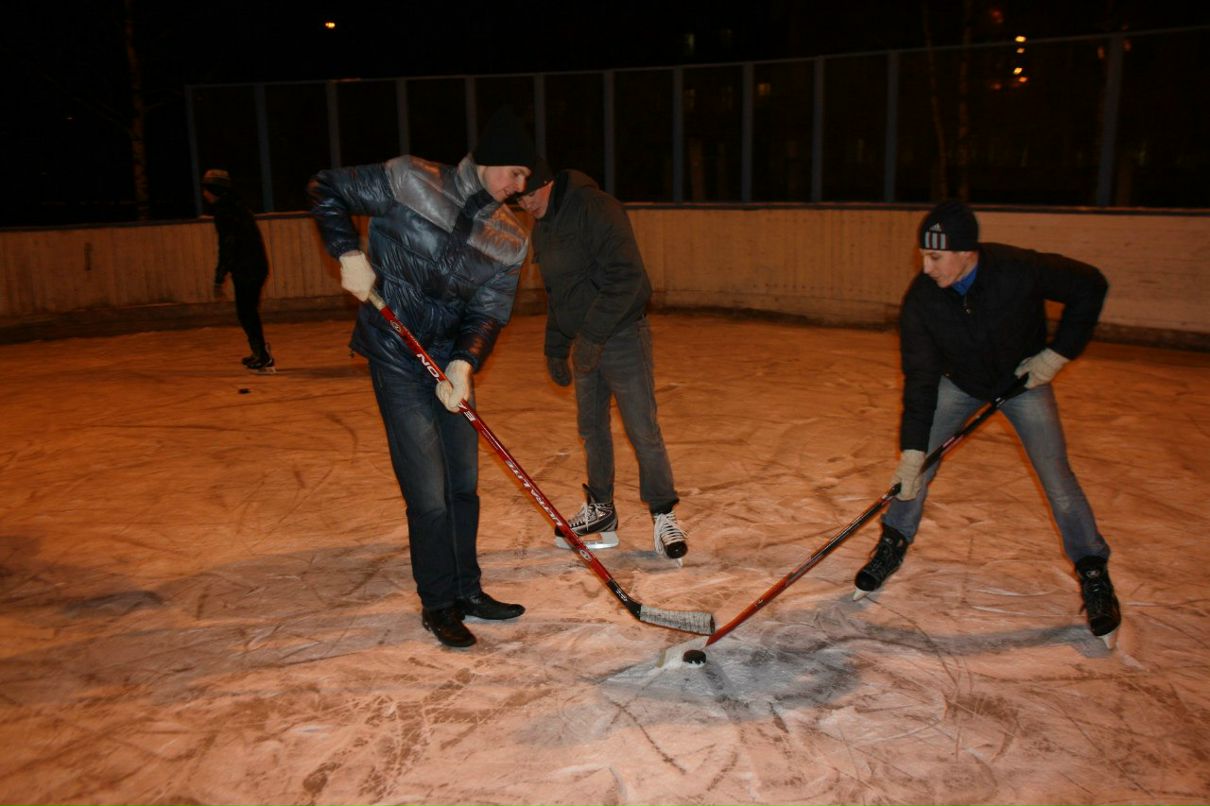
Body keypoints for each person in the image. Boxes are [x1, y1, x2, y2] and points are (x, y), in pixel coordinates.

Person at [307, 108, 537, 649]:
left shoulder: (510, 238)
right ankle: (438, 602)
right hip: (395, 351)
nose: (520, 186)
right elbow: (325, 188)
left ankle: (468, 589)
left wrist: (464, 362)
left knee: (463, 483)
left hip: (447, 360)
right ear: (486, 162)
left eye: (526, 178)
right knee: (428, 492)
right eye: (515, 173)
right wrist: (347, 252)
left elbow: (489, 311)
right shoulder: (411, 178)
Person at [854, 199, 1121, 645]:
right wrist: (913, 451)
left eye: (935, 256)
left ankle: (1093, 571)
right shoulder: (922, 299)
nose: (926, 267)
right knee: (917, 471)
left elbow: (1090, 285)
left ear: (966, 252)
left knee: (1057, 476)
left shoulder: (1018, 269)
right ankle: (893, 540)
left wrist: (1058, 354)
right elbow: (920, 378)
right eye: (923, 255)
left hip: (1023, 381)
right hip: (960, 384)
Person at [516, 159, 689, 563]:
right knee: (591, 429)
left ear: (547, 182)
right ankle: (602, 511)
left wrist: (592, 336)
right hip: (584, 341)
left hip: (624, 336)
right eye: (517, 198)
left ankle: (663, 512)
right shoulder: (544, 225)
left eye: (529, 194)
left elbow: (630, 278)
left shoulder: (596, 208)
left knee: (642, 429)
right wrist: (556, 344)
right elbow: (559, 294)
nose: (525, 204)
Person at [202, 169, 274, 373]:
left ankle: (262, 354)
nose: (203, 194)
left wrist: (220, 275)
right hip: (253, 266)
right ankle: (259, 352)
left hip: (247, 268)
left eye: (206, 189)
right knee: (247, 311)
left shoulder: (225, 211)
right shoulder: (236, 206)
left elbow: (228, 244)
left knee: (246, 312)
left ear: (213, 190)